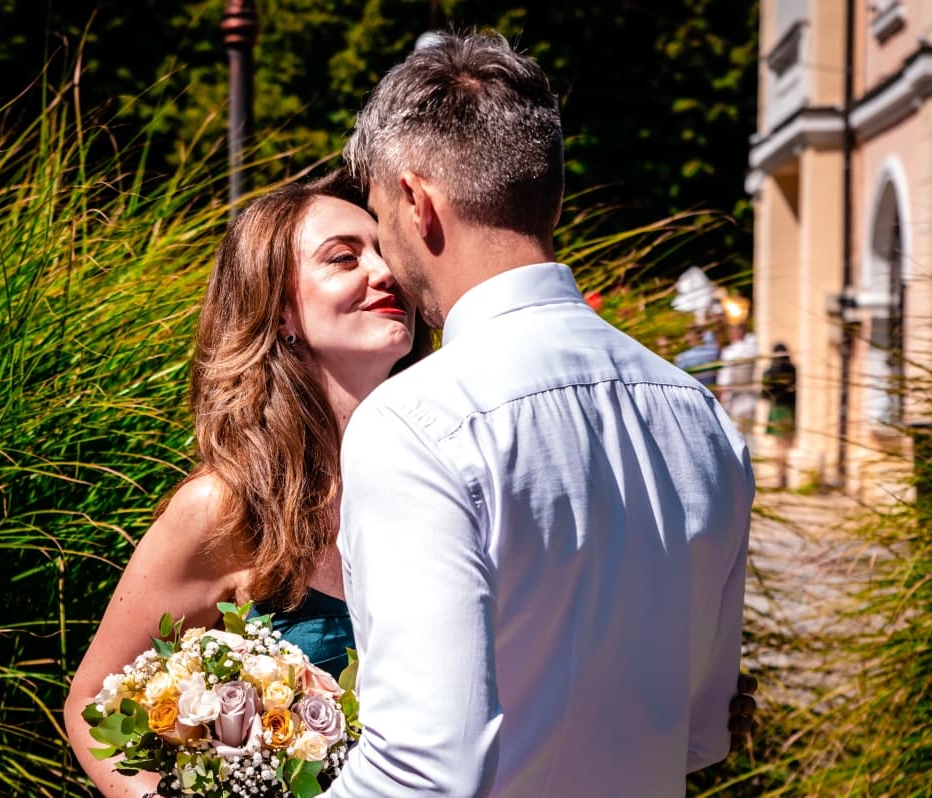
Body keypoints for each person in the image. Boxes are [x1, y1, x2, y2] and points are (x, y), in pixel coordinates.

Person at [324, 31, 754, 798]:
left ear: (419, 204)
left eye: (381, 216)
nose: (386, 256)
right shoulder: (706, 418)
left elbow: (422, 767)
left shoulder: (416, 422)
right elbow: (700, 731)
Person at [63, 172, 431, 797]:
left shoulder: (442, 477)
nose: (385, 272)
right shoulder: (223, 508)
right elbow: (92, 704)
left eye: (388, 253)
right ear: (280, 310)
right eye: (345, 258)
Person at [717, 323, 760, 450]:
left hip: (735, 400)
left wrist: (722, 401)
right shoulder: (753, 350)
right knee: (750, 434)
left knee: (736, 436)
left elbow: (725, 381)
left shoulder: (730, 353)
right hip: (750, 398)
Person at [762, 342, 797, 489]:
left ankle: (779, 476)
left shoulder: (768, 372)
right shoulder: (792, 370)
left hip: (776, 409)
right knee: (786, 446)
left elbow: (764, 394)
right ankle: (782, 476)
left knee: (779, 446)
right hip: (788, 409)